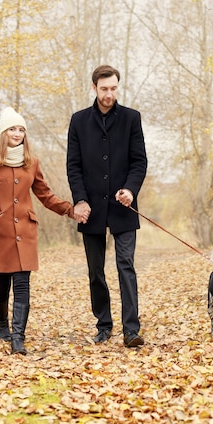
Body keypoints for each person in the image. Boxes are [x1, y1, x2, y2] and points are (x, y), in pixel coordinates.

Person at [0, 106, 86, 355]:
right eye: (12, 129)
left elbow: (45, 195)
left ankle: (18, 338)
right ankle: (2, 324)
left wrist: (70, 209)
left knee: (22, 284)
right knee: (2, 284)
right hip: (1, 232)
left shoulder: (31, 163)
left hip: (25, 230)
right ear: (4, 132)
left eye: (21, 129)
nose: (17, 133)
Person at [67, 65, 148, 347]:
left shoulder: (131, 118)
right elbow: (73, 166)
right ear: (94, 88)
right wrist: (80, 200)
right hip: (90, 209)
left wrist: (130, 189)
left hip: (123, 206)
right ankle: (104, 325)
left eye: (113, 88)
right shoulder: (78, 121)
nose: (109, 94)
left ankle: (131, 330)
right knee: (95, 270)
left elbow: (139, 161)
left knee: (125, 264)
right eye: (104, 89)